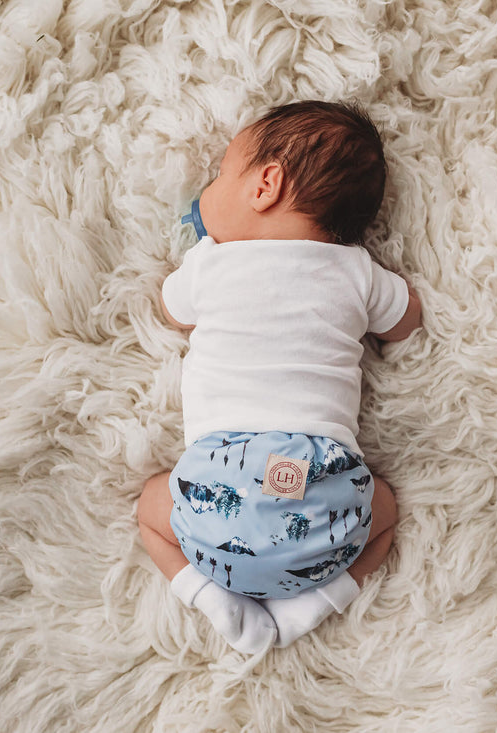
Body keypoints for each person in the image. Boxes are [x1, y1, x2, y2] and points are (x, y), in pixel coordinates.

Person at [137, 101, 422, 653]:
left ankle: (206, 592)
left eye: (221, 173)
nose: (210, 187)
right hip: (322, 491)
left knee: (151, 509)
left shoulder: (212, 263)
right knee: (382, 512)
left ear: (264, 185)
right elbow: (407, 322)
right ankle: (312, 604)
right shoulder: (358, 272)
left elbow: (174, 312)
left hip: (216, 495)